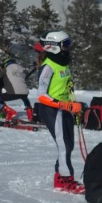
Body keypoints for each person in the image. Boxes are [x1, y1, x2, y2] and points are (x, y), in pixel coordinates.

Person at [33, 30, 83, 192]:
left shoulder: (63, 62)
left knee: (69, 145)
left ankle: (59, 177)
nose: (68, 47)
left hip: (64, 109)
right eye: (65, 44)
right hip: (51, 110)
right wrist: (64, 105)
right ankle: (67, 180)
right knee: (64, 146)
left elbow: (65, 87)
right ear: (53, 46)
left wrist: (72, 104)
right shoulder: (48, 66)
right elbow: (41, 95)